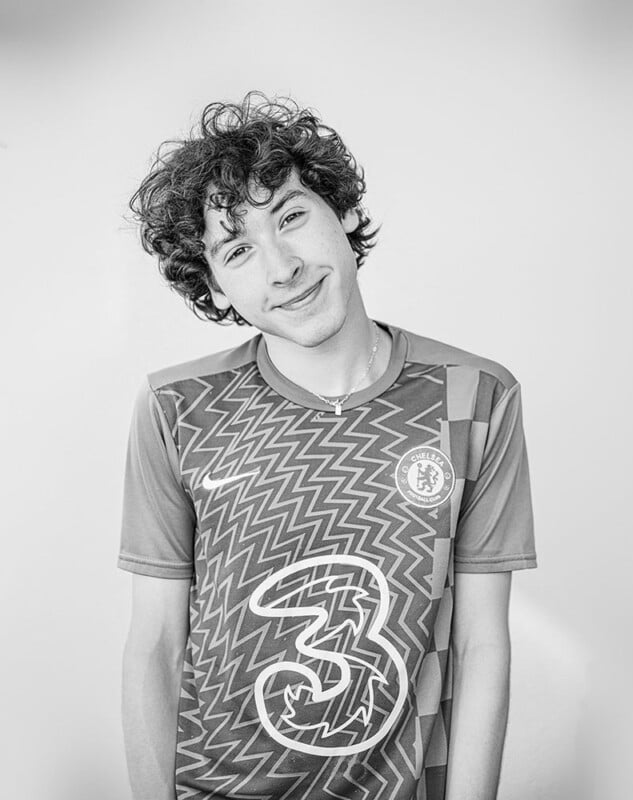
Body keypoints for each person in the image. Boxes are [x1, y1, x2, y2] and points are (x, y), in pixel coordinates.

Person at [118, 91, 537, 800]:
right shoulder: (176, 409)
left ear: (340, 212)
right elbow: (156, 646)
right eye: (239, 249)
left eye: (291, 217)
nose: (281, 266)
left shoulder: (477, 397)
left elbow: (481, 643)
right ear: (216, 289)